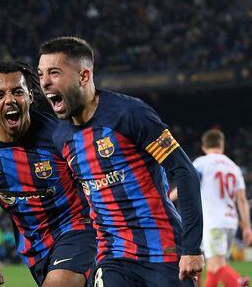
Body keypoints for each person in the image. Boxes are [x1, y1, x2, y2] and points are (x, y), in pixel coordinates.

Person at [37, 36, 204, 286]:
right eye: (40, 75)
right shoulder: (60, 136)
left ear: (84, 76)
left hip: (162, 251)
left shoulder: (130, 114)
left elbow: (184, 171)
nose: (45, 82)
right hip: (112, 256)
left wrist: (191, 248)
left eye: (54, 73)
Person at [0, 60, 96, 286]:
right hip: (34, 247)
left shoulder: (61, 135)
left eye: (17, 92)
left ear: (31, 96)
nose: (10, 100)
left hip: (78, 228)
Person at [193, 129, 252, 287]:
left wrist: (169, 197)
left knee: (216, 265)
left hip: (213, 222)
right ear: (222, 144)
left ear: (204, 147)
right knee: (213, 268)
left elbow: (188, 185)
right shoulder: (234, 167)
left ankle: (237, 283)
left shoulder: (201, 163)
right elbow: (241, 199)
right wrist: (246, 227)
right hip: (230, 223)